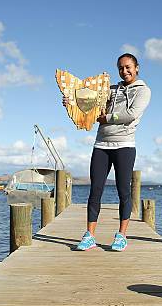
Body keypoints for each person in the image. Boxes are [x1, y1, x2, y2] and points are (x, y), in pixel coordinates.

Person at [62, 53, 151, 251]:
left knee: (123, 192)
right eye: (121, 67)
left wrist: (108, 118)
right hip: (101, 145)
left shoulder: (143, 91)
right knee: (95, 190)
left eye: (128, 67)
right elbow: (90, 103)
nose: (124, 71)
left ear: (137, 68)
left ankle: (121, 235)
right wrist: (71, 102)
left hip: (125, 145)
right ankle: (90, 235)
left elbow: (132, 114)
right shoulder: (111, 90)